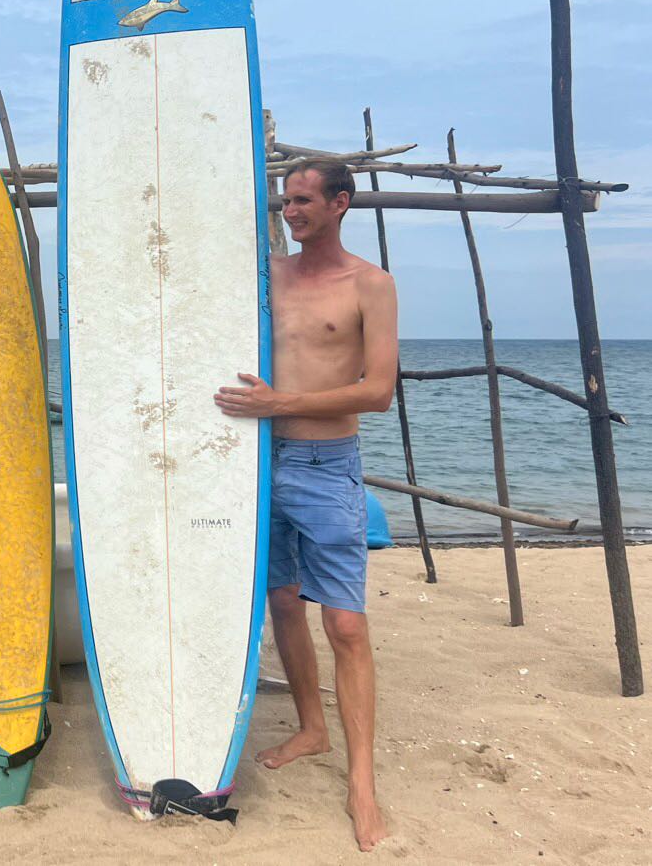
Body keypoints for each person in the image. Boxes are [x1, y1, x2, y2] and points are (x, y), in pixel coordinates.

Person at [214, 159, 396, 852]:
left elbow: (377, 390)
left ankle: (361, 785)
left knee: (345, 626)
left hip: (325, 464)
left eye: (301, 200)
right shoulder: (269, 276)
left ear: (339, 203)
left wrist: (280, 403)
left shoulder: (370, 285)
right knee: (283, 603)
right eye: (284, 201)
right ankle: (311, 729)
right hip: (259, 463)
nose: (289, 211)